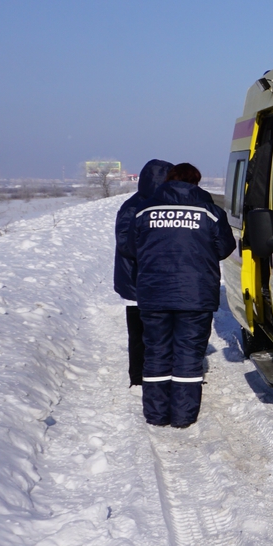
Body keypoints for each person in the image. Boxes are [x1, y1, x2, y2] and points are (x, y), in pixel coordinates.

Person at [121, 162, 236, 428]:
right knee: (188, 353)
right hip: (195, 295)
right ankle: (183, 416)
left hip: (153, 294)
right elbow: (225, 247)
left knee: (157, 351)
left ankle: (156, 414)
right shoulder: (210, 212)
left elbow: (129, 248)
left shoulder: (144, 211)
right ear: (196, 183)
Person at [113, 160, 172, 386]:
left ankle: (160, 373)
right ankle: (138, 378)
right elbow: (127, 244)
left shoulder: (157, 204)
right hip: (136, 281)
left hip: (155, 280)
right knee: (139, 333)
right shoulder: (133, 207)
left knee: (159, 332)